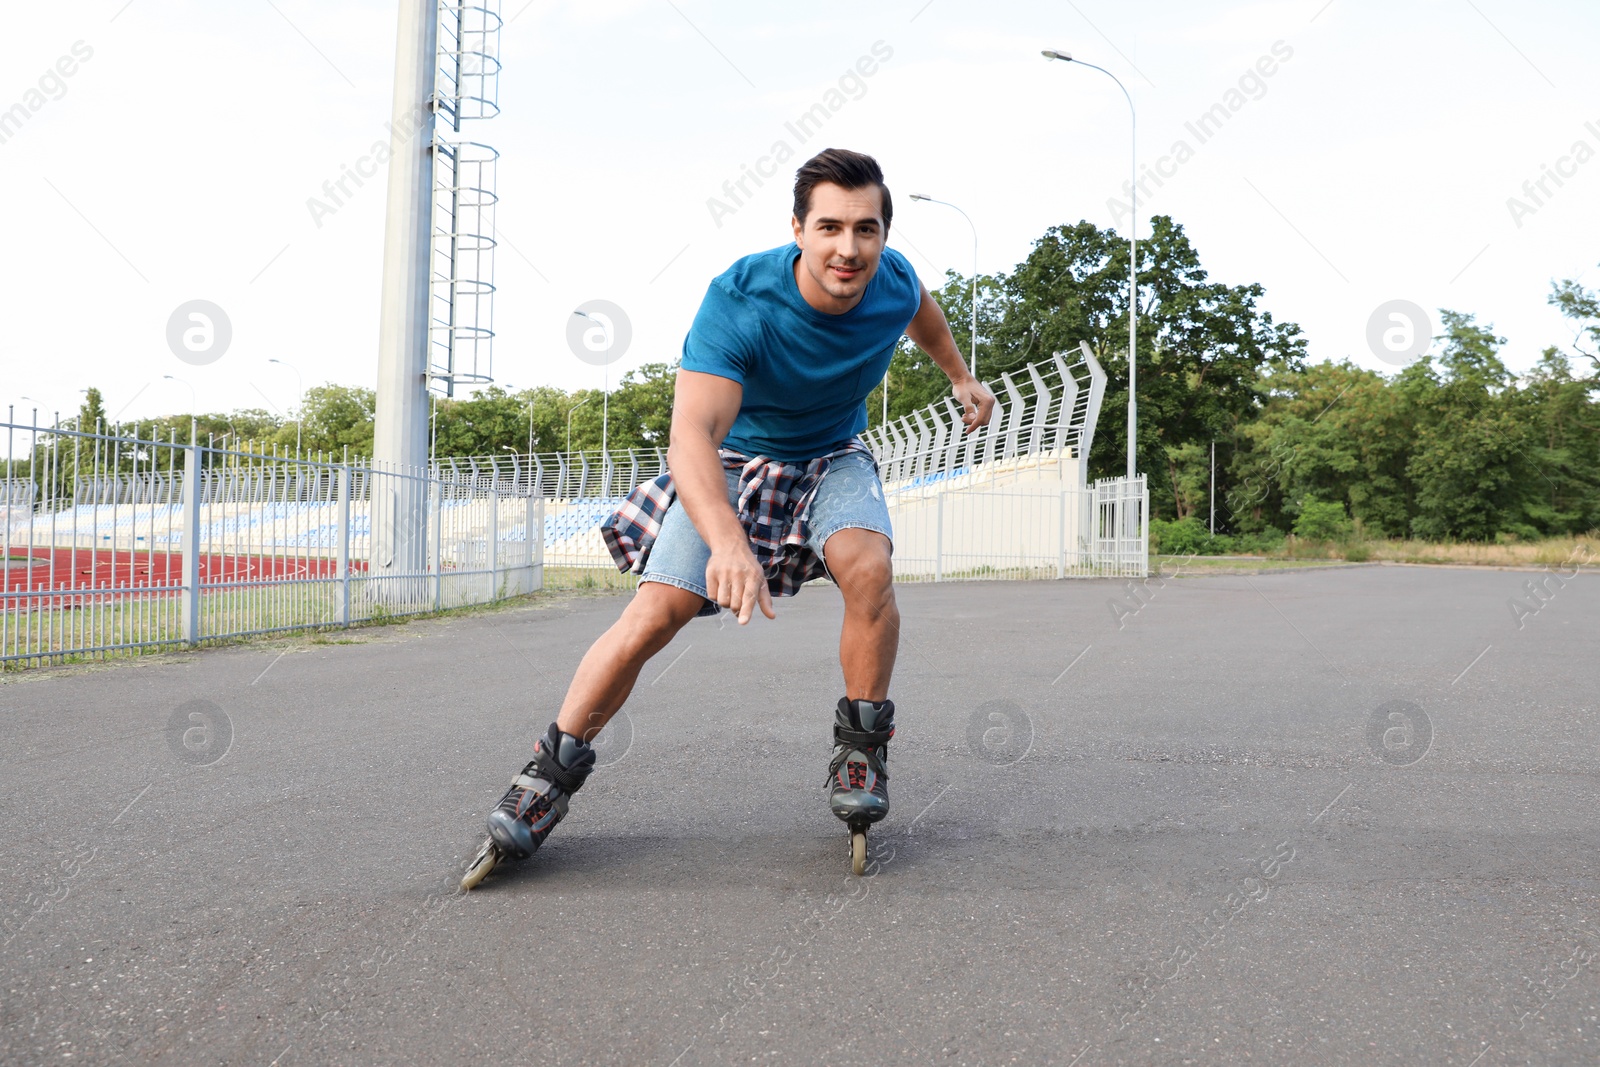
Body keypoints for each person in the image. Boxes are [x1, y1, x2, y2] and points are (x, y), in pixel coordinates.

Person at [478, 147, 995, 872]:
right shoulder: (741, 301)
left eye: (867, 230)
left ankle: (861, 749)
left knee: (868, 568)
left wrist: (961, 377)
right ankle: (549, 772)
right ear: (798, 228)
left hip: (834, 452)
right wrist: (725, 539)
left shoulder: (895, 280)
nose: (849, 249)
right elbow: (692, 432)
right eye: (830, 227)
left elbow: (923, 313)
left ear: (884, 234)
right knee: (658, 611)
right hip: (733, 458)